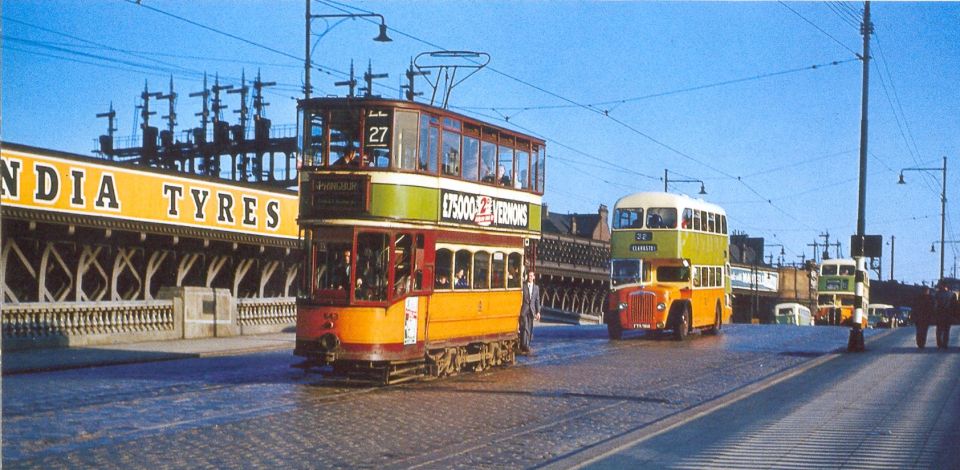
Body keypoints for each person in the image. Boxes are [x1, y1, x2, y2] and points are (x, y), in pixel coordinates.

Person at [518, 270, 542, 354]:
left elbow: (537, 300)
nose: (530, 277)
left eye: (531, 276)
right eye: (529, 276)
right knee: (525, 327)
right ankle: (525, 345)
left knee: (530, 327)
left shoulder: (536, 288)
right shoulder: (523, 286)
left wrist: (538, 312)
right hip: (524, 309)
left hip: (532, 310)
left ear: (534, 277)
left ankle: (526, 344)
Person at [934, 283, 956, 349]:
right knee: (946, 330)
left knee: (939, 330)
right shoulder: (950, 294)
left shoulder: (937, 294)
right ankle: (945, 343)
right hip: (947, 314)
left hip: (939, 313)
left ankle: (939, 343)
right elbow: (953, 305)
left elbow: (935, 305)